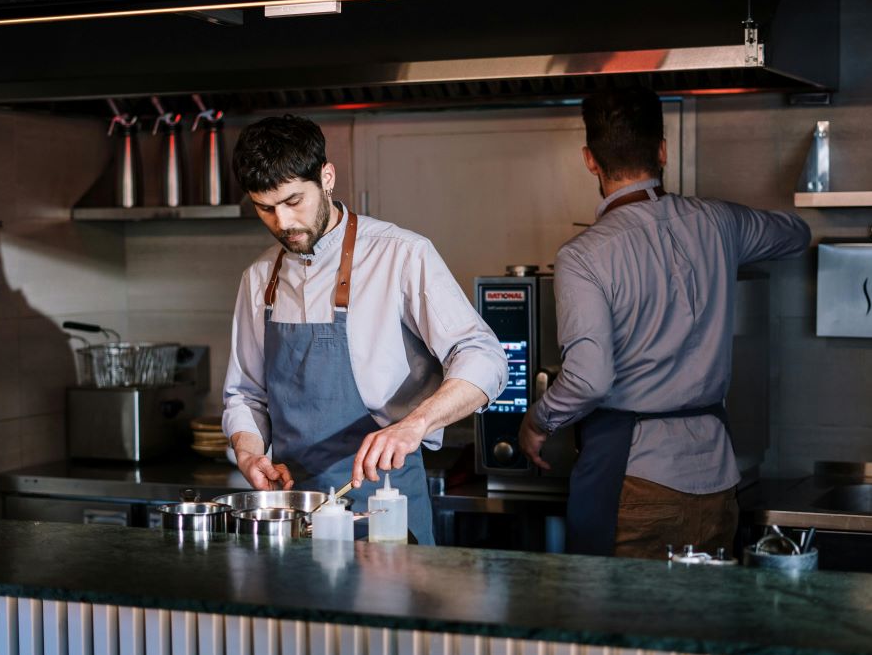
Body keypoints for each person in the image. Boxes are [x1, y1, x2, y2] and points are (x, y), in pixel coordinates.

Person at [518, 87, 810, 558]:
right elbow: (796, 234)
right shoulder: (719, 223)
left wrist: (537, 421)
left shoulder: (583, 256)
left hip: (634, 482)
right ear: (662, 151)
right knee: (700, 628)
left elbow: (590, 380)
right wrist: (728, 243)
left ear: (590, 160)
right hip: (717, 480)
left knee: (617, 628)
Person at [223, 114, 508, 545]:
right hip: (293, 510)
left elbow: (484, 356)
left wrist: (414, 424)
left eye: (294, 201)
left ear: (327, 177)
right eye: (266, 208)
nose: (283, 223)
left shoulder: (401, 255)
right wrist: (248, 452)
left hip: (384, 500)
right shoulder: (258, 277)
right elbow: (245, 394)